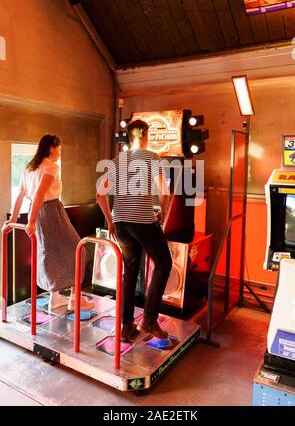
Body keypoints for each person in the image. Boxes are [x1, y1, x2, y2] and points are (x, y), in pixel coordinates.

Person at [97, 120, 172, 341]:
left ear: (129, 138)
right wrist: (163, 215)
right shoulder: (152, 157)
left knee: (129, 271)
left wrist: (111, 220)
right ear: (146, 135)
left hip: (121, 223)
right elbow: (164, 193)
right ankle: (149, 320)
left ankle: (127, 326)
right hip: (143, 221)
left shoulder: (117, 160)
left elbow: (100, 195)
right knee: (164, 262)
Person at [2, 135, 94, 312]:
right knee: (78, 248)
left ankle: (55, 297)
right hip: (51, 212)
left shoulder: (29, 168)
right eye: (58, 149)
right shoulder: (51, 167)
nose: (59, 153)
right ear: (51, 148)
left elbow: (21, 195)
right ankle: (75, 298)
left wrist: (13, 220)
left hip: (37, 211)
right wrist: (32, 221)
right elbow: (39, 194)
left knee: (51, 252)